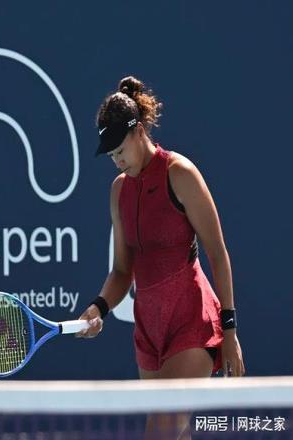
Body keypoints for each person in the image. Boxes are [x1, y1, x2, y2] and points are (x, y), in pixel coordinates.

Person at [77, 75, 245, 439]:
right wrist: (98, 307)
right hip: (149, 333)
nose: (117, 161)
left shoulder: (180, 174)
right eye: (111, 155)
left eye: (120, 150)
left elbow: (217, 253)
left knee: (160, 432)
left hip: (192, 323)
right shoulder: (118, 191)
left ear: (138, 132)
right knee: (175, 435)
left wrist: (230, 331)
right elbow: (122, 270)